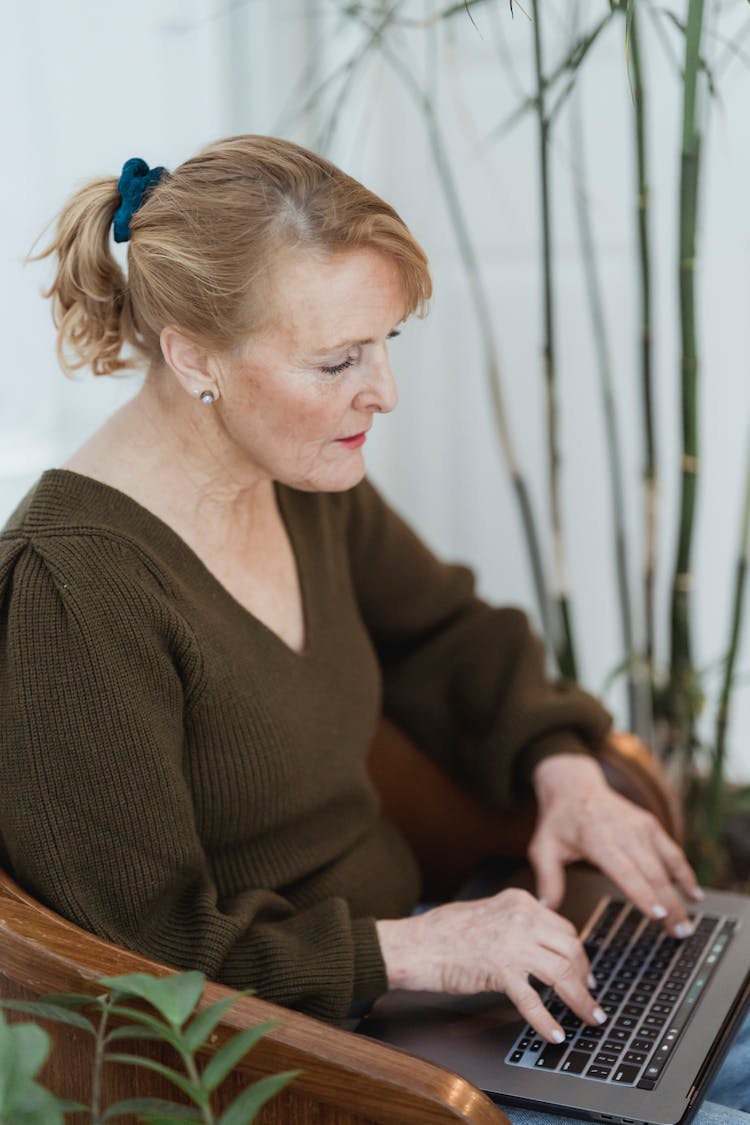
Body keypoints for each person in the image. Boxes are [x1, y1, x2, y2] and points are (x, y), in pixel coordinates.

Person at [0, 137, 747, 1123]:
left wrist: (559, 760)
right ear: (192, 354)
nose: (382, 391)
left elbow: (444, 634)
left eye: (389, 341)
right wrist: (419, 952)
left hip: (425, 977)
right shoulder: (75, 588)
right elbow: (147, 957)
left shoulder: (299, 472)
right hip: (301, 1058)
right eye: (338, 359)